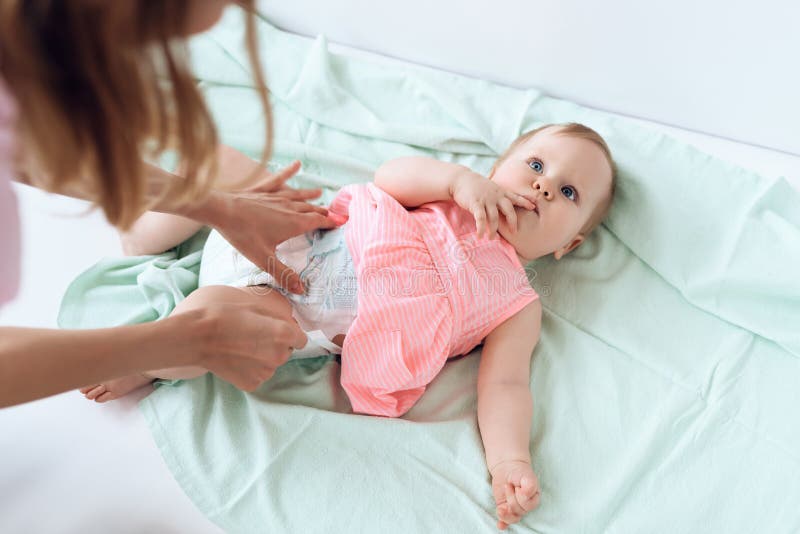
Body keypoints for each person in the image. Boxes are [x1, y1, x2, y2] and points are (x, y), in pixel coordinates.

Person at [83, 122, 617, 529]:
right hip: (286, 228)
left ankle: (150, 356)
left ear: (567, 246)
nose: (545, 188)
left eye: (569, 194)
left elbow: (504, 384)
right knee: (229, 171)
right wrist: (456, 180)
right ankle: (147, 232)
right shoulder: (447, 194)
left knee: (219, 326)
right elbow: (388, 178)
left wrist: (509, 460)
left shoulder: (516, 303)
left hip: (287, 304)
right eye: (537, 166)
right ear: (497, 169)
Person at [0, 0, 336, 408]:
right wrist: (165, 347)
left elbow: (38, 155)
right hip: (267, 293)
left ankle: (152, 231)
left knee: (207, 190)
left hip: (281, 245)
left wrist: (221, 210)